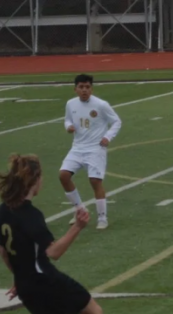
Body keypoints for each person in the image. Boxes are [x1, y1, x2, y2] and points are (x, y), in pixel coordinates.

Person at [0, 154, 125, 314]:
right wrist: (77, 227)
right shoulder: (30, 215)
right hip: (45, 280)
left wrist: (18, 277)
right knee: (94, 313)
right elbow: (53, 252)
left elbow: (3, 251)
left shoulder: (2, 211)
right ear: (33, 181)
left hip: (26, 286)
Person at [61, 74, 121, 230]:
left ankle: (102, 217)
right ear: (75, 89)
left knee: (95, 181)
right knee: (63, 175)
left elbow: (116, 121)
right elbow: (67, 119)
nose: (84, 90)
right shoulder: (70, 104)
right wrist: (68, 127)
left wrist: (108, 136)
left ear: (91, 88)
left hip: (95, 148)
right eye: (81, 87)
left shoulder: (101, 105)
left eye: (87, 87)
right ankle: (80, 210)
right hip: (77, 147)